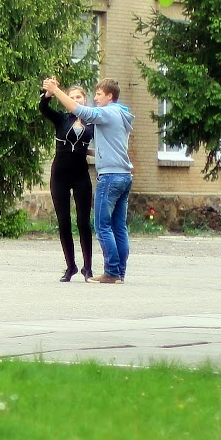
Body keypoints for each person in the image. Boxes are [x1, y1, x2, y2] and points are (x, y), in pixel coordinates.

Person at [42, 76, 133, 284]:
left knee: (101, 226)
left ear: (109, 96)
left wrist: (56, 90)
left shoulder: (101, 115)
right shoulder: (121, 113)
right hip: (121, 174)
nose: (95, 98)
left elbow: (81, 111)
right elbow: (106, 146)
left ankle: (106, 271)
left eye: (98, 94)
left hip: (107, 176)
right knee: (118, 226)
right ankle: (116, 272)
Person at [39, 84, 94, 281]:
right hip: (60, 175)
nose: (76, 100)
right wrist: (47, 95)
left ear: (84, 100)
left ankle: (88, 268)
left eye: (79, 97)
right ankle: (70, 266)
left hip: (80, 174)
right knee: (64, 222)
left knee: (83, 222)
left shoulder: (92, 121)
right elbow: (43, 108)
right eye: (72, 97)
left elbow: (104, 142)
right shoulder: (62, 119)